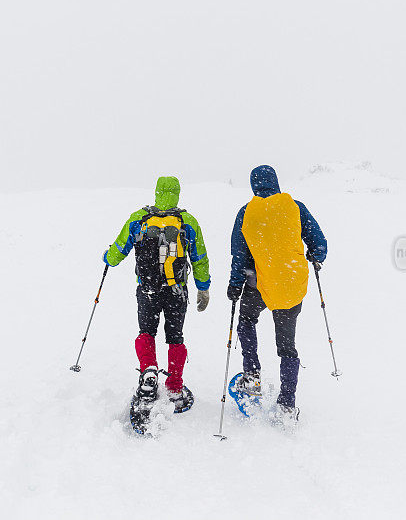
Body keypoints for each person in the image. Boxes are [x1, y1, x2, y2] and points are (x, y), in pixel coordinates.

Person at [227, 165, 327, 419]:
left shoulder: (246, 212)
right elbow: (318, 240)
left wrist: (235, 283)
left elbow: (239, 254)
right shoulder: (295, 207)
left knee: (247, 321)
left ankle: (251, 378)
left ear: (254, 186)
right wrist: (315, 255)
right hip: (290, 285)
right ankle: (286, 403)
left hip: (257, 285)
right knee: (287, 346)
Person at [104, 176, 211, 411]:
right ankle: (174, 385)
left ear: (156, 192)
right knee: (175, 337)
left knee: (146, 332)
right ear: (177, 193)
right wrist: (203, 288)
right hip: (176, 290)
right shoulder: (187, 221)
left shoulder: (139, 218)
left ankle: (149, 373)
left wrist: (108, 258)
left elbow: (119, 248)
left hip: (147, 289)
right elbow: (199, 258)